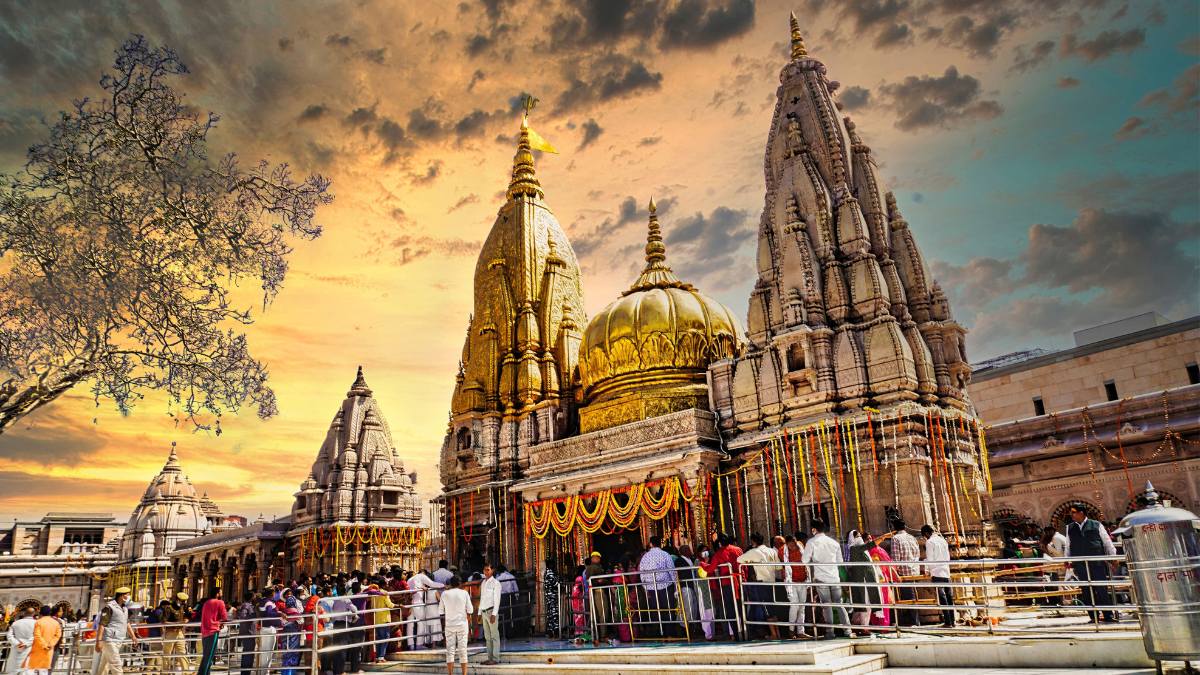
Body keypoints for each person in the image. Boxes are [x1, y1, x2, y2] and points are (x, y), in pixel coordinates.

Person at [1063, 505, 1118, 623]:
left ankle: (1108, 615)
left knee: (1101, 589)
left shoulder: (1096, 524)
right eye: (1071, 513)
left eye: (1074, 512)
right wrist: (1066, 560)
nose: (1072, 515)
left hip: (1097, 563)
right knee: (1086, 590)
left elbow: (1107, 542)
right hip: (1080, 564)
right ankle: (1094, 617)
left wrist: (1113, 557)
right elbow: (1068, 545)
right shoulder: (1070, 528)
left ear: (1082, 512)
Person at [802, 519, 849, 639]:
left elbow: (804, 560)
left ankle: (830, 632)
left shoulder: (811, 542)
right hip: (834, 577)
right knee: (839, 604)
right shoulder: (834, 543)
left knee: (826, 606)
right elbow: (840, 561)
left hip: (821, 578)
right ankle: (847, 630)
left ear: (814, 529)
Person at [736, 533, 781, 639]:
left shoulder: (753, 552)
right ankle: (777, 633)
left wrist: (750, 560)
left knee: (767, 609)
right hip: (772, 581)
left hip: (762, 583)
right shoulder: (772, 551)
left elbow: (739, 560)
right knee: (773, 608)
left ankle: (773, 634)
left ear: (753, 542)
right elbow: (779, 567)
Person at [699, 533, 743, 640]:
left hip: (727, 583)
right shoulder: (738, 549)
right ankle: (743, 631)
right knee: (741, 606)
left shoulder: (719, 553)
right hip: (740, 580)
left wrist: (702, 564)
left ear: (719, 543)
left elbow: (711, 568)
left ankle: (736, 634)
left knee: (730, 609)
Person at [638, 535, 680, 638]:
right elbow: (671, 570)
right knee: (668, 609)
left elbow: (641, 573)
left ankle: (657, 633)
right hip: (665, 585)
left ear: (650, 544)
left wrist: (645, 587)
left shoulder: (645, 556)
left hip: (651, 587)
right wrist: (676, 585)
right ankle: (669, 633)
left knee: (654, 610)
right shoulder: (665, 554)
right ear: (660, 544)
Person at [95, 588, 138, 675]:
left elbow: (127, 623)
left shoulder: (125, 608)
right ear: (122, 596)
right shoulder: (109, 607)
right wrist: (98, 641)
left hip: (118, 640)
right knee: (116, 665)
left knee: (104, 665)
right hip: (109, 640)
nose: (129, 596)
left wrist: (133, 636)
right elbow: (102, 624)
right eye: (127, 594)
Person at [920, 525, 955, 628]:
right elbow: (948, 556)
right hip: (946, 571)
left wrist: (927, 570)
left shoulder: (930, 542)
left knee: (942, 597)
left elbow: (930, 558)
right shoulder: (942, 540)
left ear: (926, 533)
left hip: (936, 572)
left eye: (924, 536)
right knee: (949, 597)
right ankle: (952, 621)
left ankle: (948, 622)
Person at [436, 576, 471, 675]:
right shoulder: (464, 593)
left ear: (450, 584)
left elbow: (440, 611)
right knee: (463, 650)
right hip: (462, 624)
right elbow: (470, 610)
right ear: (460, 583)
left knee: (450, 650)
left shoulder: (445, 594)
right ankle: (464, 674)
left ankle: (450, 674)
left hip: (450, 625)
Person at [887, 520, 920, 627]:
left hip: (903, 572)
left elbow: (895, 558)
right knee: (913, 595)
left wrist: (894, 572)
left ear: (894, 528)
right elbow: (917, 553)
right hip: (914, 570)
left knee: (907, 596)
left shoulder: (895, 539)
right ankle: (915, 620)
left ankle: (913, 621)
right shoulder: (912, 537)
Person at [777, 535, 809, 639]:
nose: (793, 547)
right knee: (794, 606)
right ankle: (791, 630)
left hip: (803, 580)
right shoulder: (782, 551)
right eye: (791, 545)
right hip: (791, 582)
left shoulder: (800, 545)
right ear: (787, 544)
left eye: (794, 544)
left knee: (802, 607)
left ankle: (801, 631)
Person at [405, 569, 443, 649]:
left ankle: (410, 645)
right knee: (421, 623)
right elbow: (432, 584)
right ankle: (419, 644)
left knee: (410, 625)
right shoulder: (421, 576)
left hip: (409, 603)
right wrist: (444, 585)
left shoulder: (409, 579)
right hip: (418, 603)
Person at [868, 535, 898, 628]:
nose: (869, 540)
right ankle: (876, 624)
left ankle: (884, 624)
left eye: (870, 538)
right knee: (873, 602)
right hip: (870, 580)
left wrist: (895, 576)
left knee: (884, 602)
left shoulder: (879, 550)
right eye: (867, 539)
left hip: (881, 581)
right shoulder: (865, 551)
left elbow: (888, 564)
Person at [476, 564, 502, 666]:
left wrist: (494, 614)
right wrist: (479, 613)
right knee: (487, 637)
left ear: (492, 571)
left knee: (494, 636)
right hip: (483, 611)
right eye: (484, 570)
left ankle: (495, 658)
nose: (486, 572)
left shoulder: (496, 583)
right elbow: (481, 598)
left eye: (488, 570)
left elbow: (497, 600)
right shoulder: (483, 583)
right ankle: (489, 658)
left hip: (491, 612)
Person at [197, 590, 227, 675]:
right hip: (213, 631)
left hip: (204, 631)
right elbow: (224, 617)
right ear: (217, 593)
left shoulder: (206, 603)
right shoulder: (220, 602)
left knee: (206, 655)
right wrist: (220, 622)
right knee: (209, 657)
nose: (222, 593)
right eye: (221, 592)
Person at [26, 607, 60, 675]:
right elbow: (57, 635)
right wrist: (50, 644)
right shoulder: (56, 623)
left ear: (40, 613)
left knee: (32, 669)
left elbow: (37, 635)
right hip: (48, 650)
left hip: (37, 649)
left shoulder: (38, 622)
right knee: (44, 670)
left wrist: (44, 645)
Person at [6, 608, 35, 675]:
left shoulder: (15, 623)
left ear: (24, 613)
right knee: (27, 670)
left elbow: (9, 635)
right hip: (29, 649)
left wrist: (17, 643)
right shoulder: (36, 623)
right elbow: (36, 637)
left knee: (14, 669)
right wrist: (26, 644)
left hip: (16, 649)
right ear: (33, 614)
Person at [278, 608, 302, 675]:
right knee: (292, 660)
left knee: (286, 659)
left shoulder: (283, 618)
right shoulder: (296, 621)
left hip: (286, 645)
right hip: (293, 646)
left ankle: (285, 673)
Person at [541, 557, 559, 638]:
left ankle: (551, 631)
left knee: (550, 613)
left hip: (549, 595)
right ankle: (554, 631)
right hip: (552, 595)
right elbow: (555, 584)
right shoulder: (550, 573)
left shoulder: (547, 573)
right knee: (553, 613)